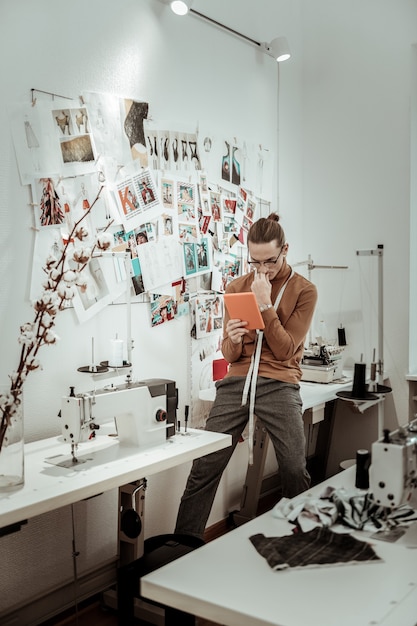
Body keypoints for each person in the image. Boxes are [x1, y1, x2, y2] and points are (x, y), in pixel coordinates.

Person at [175, 213, 318, 540]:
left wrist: (266, 305)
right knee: (205, 466)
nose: (262, 270)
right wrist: (234, 339)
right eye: (254, 262)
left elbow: (284, 352)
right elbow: (229, 355)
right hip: (238, 380)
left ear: (285, 250)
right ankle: (181, 549)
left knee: (295, 469)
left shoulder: (304, 291)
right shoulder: (237, 287)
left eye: (269, 262)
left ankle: (305, 543)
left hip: (280, 382)